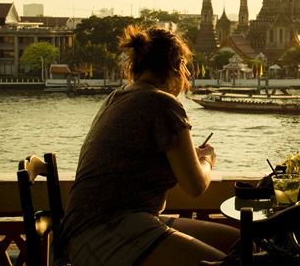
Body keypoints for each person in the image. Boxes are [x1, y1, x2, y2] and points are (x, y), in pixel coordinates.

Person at [61, 25, 239, 265]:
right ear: (176, 66)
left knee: (238, 241)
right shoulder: (162, 103)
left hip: (90, 230)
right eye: (185, 66)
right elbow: (195, 185)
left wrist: (189, 157)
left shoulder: (118, 96)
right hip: (107, 232)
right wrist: (207, 159)